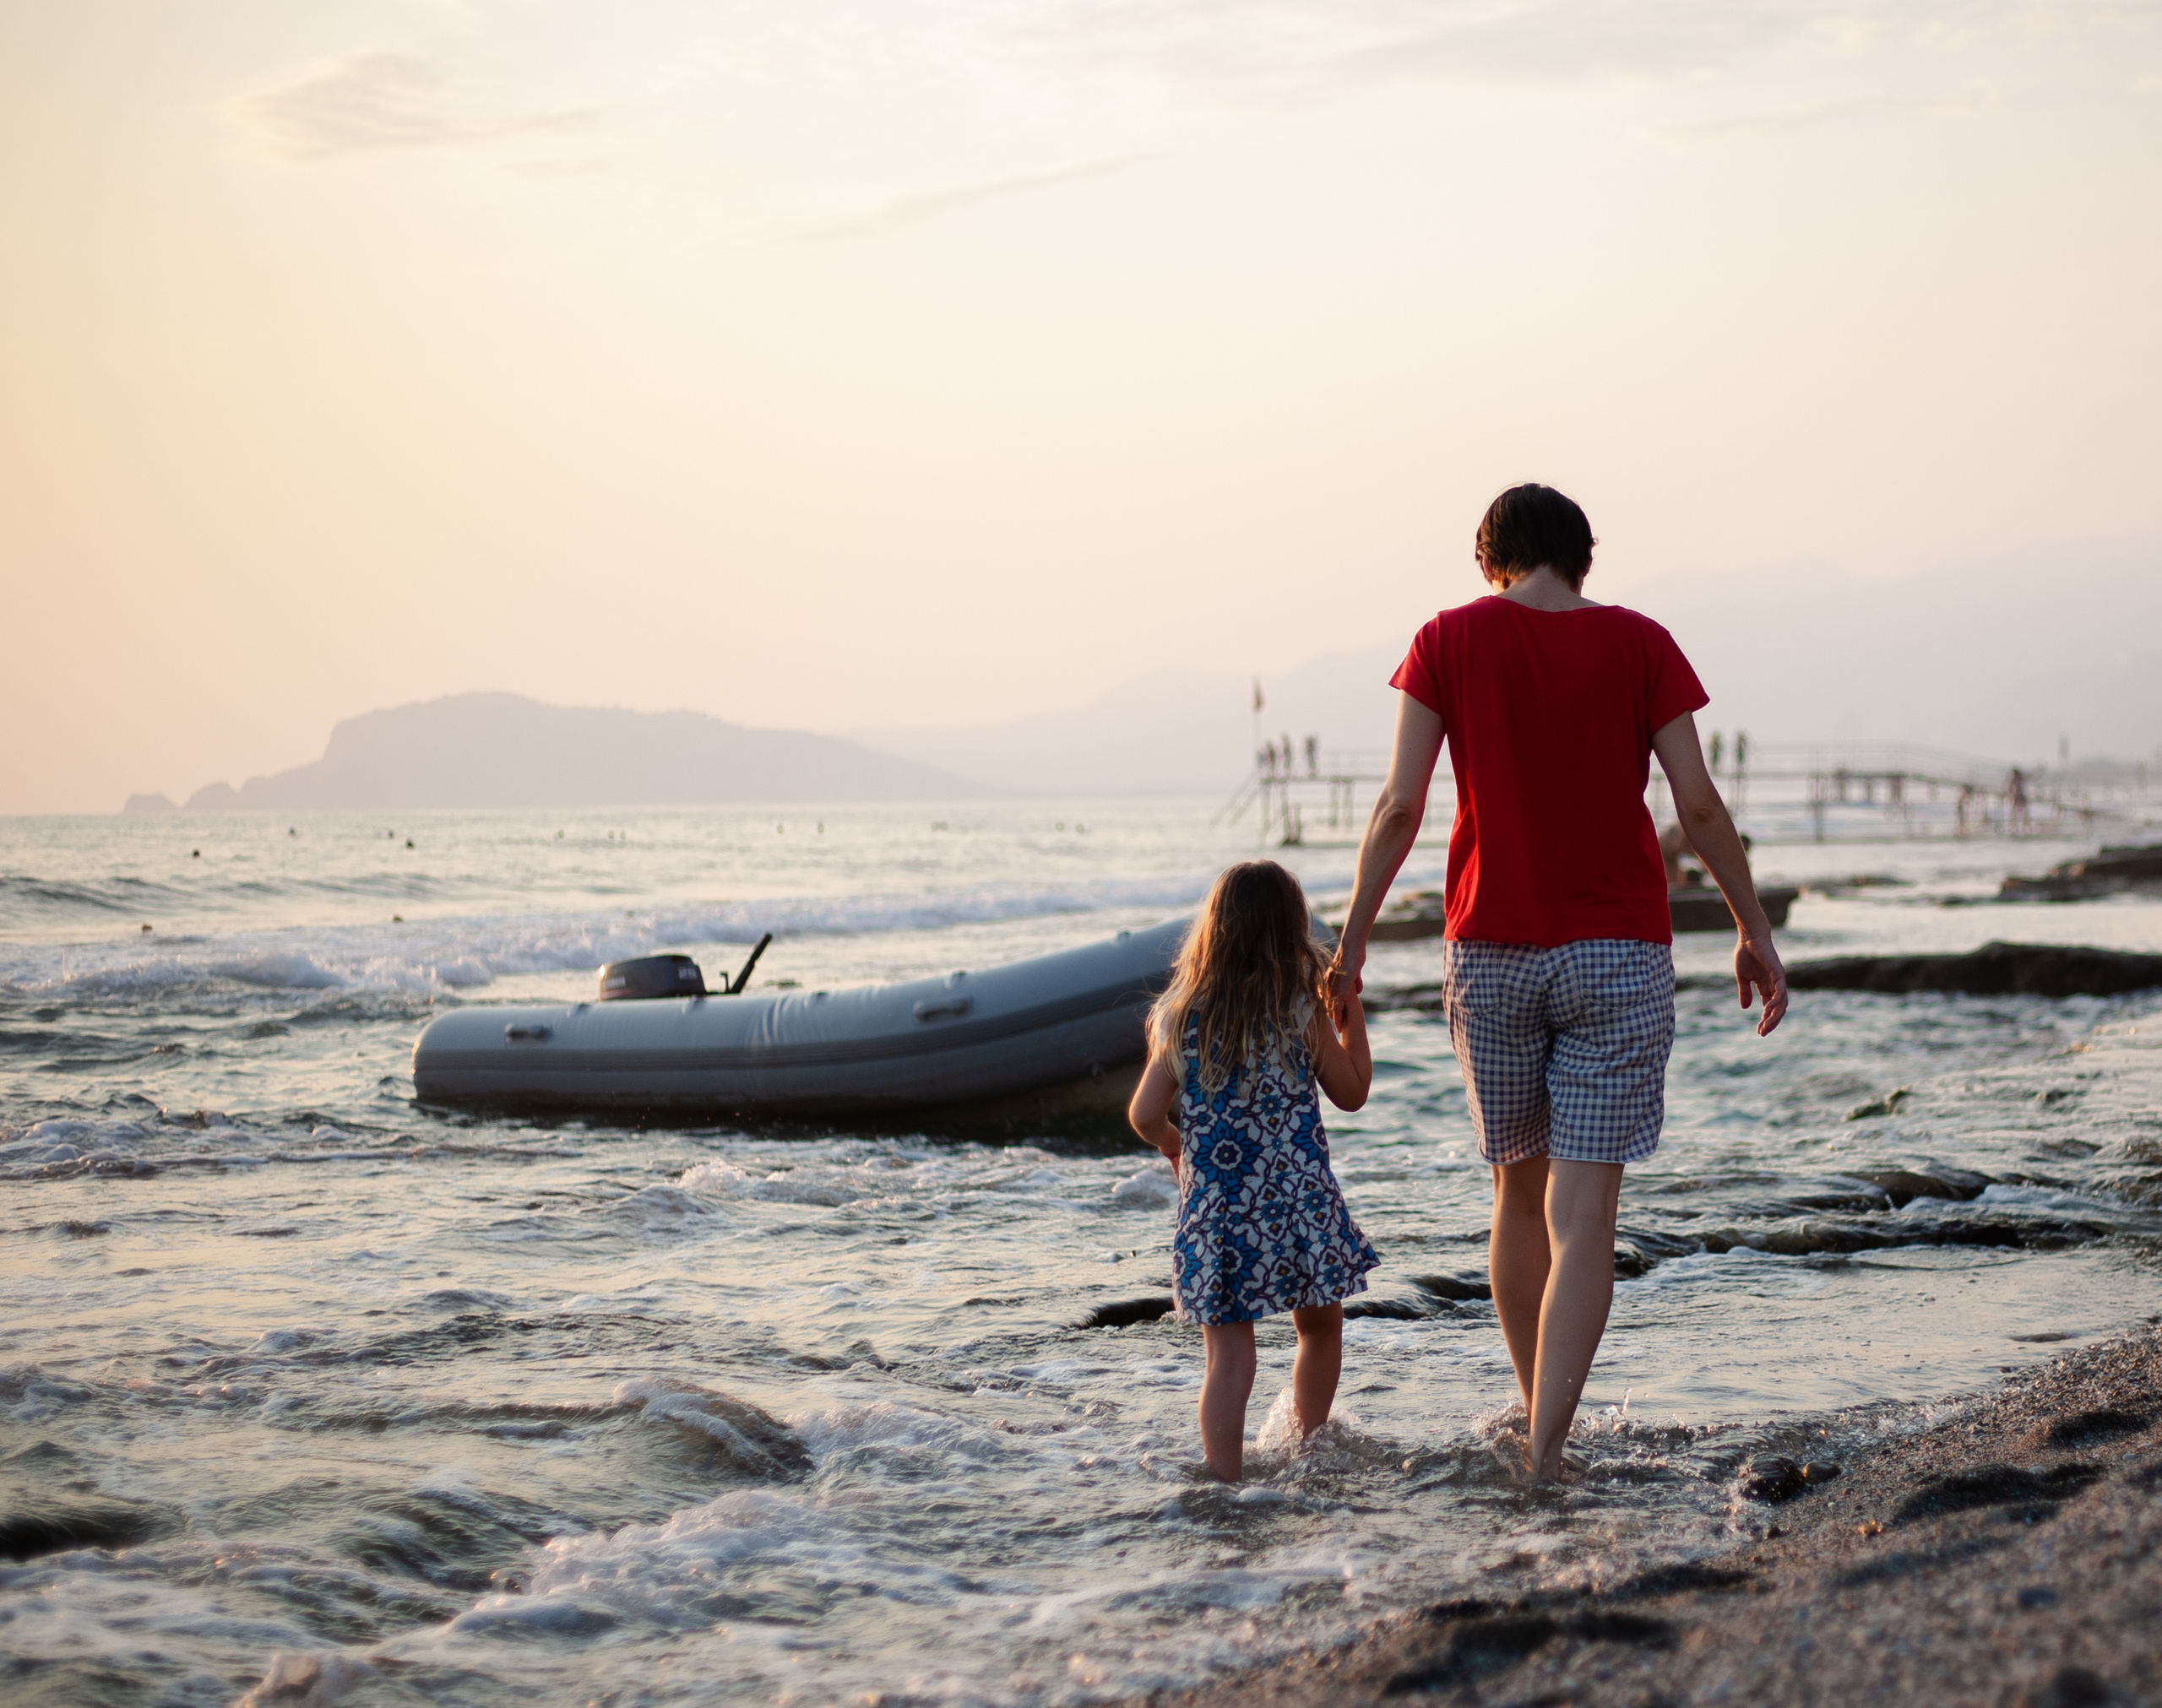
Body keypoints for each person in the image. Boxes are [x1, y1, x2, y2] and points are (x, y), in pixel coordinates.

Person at [1328, 483, 1788, 1482]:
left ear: (1489, 556)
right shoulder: (1639, 643)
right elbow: (1700, 807)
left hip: (1489, 951)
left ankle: (1538, 1417)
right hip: (1617, 952)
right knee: (1584, 1220)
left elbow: (1401, 806)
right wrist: (1750, 927)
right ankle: (1545, 1448)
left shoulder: (1446, 638)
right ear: (1583, 555)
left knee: (1515, 1194)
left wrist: (1352, 941)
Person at [1127, 860, 1380, 1483]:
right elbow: (1352, 1092)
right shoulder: (1299, 1009)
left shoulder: (1180, 1017)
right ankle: (1309, 1450)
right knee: (1319, 1328)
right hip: (1296, 1203)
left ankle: (1224, 1477)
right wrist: (1353, 1021)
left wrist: (1174, 1144)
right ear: (1290, 931)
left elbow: (1142, 1113)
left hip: (1222, 1214)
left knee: (1229, 1359)